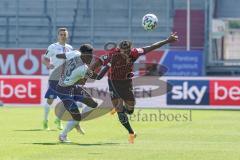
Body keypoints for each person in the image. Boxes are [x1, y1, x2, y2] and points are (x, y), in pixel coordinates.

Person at [90, 32, 178, 143]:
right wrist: (89, 71)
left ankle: (120, 109)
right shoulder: (113, 54)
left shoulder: (135, 53)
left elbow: (151, 47)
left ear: (131, 49)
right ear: (119, 49)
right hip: (113, 81)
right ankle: (131, 132)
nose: (126, 53)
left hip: (126, 83)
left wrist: (167, 40)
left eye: (127, 51)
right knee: (119, 110)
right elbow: (99, 61)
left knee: (130, 110)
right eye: (123, 52)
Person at [54, 44, 111, 143]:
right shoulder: (82, 69)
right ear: (83, 54)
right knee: (77, 117)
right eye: (89, 56)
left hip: (72, 86)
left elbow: (59, 56)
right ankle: (63, 136)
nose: (91, 58)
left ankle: (76, 121)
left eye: (91, 56)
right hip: (63, 90)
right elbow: (98, 77)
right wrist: (109, 65)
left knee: (93, 104)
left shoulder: (74, 53)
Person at [42, 27, 73, 130]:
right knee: (50, 100)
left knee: (65, 101)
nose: (63, 36)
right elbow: (44, 58)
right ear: (58, 36)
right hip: (54, 78)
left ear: (67, 36)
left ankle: (58, 120)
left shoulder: (70, 48)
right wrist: (48, 64)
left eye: (65, 35)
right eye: (61, 34)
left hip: (66, 79)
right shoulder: (53, 47)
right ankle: (45, 121)